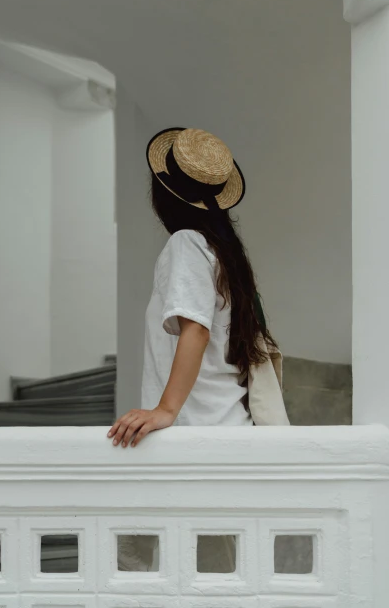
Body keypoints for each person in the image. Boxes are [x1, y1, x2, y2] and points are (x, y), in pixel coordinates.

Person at [108, 127, 289, 572]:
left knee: (183, 573)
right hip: (227, 431)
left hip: (196, 436)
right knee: (219, 573)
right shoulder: (224, 254)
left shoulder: (186, 244)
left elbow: (196, 331)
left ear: (162, 192)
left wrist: (165, 410)